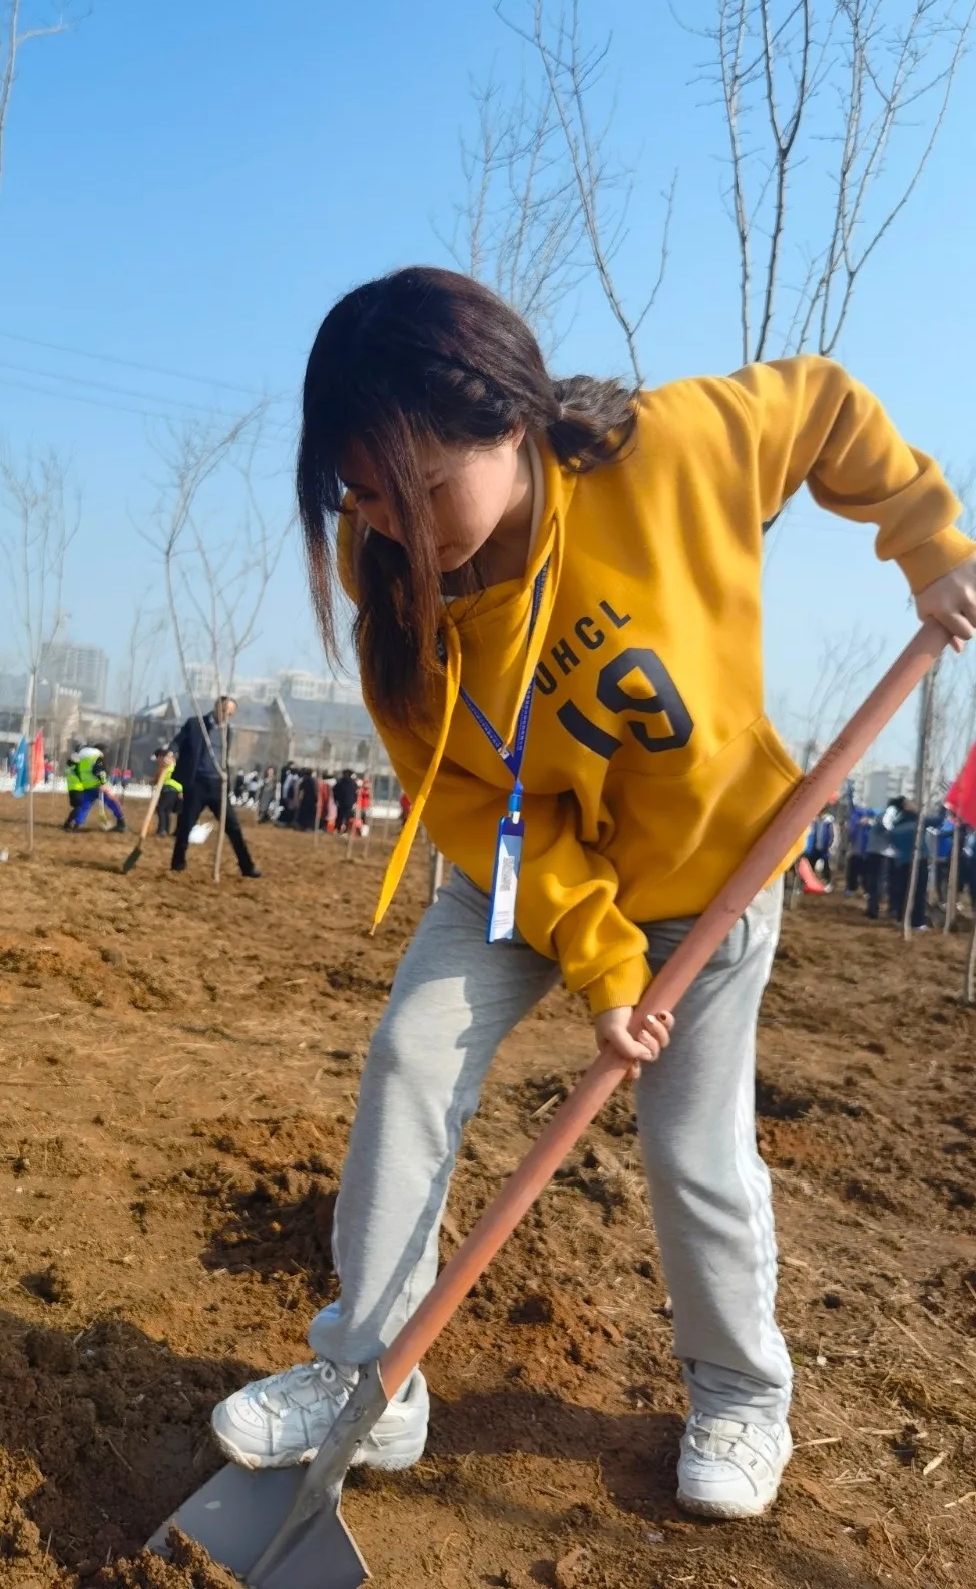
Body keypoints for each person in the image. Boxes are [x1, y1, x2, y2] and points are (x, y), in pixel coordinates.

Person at [211, 266, 976, 1521]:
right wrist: (601, 959)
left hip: (709, 873)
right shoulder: (384, 571)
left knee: (689, 1143)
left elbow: (824, 404)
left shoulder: (669, 454)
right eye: (362, 497)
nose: (394, 528)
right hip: (525, 873)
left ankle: (740, 1392)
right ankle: (368, 1382)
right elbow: (465, 795)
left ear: (510, 420)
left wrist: (928, 545)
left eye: (419, 490)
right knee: (410, 1056)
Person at [168, 698, 261, 878]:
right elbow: (177, 742)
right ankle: (177, 864)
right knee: (185, 825)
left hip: (218, 785)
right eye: (224, 711)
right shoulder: (195, 724)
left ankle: (247, 866)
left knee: (233, 827)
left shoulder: (228, 731)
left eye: (230, 714)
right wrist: (170, 753)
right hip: (197, 784)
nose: (226, 717)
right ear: (217, 707)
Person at [63, 746, 126, 833]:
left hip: (87, 787)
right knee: (112, 802)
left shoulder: (82, 759)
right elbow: (100, 771)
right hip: (98, 786)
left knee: (84, 807)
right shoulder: (96, 758)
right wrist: (103, 783)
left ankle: (76, 825)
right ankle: (121, 823)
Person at [151, 748, 183, 836]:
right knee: (167, 810)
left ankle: (162, 830)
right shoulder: (170, 765)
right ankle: (166, 830)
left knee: (161, 808)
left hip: (169, 789)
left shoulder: (167, 764)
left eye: (158, 758)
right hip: (175, 789)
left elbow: (159, 777)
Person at [332, 767, 359, 832]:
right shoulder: (353, 783)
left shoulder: (340, 782)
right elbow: (356, 793)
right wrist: (354, 801)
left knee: (339, 816)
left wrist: (336, 800)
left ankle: (337, 829)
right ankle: (345, 830)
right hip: (349, 802)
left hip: (341, 802)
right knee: (347, 817)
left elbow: (334, 791)